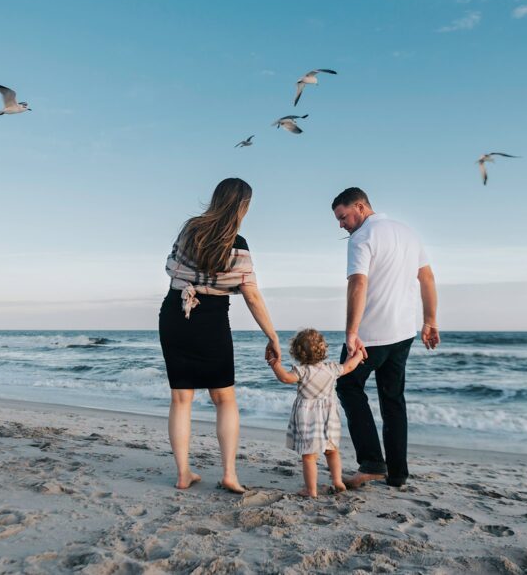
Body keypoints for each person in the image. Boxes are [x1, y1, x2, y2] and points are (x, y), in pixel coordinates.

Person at [159, 177, 281, 493]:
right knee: (224, 398)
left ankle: (183, 473)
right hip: (212, 318)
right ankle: (229, 474)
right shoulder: (237, 244)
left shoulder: (190, 230)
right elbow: (251, 294)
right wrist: (273, 336)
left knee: (181, 397)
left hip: (176, 312)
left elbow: (171, 268)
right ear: (242, 206)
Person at [331, 187, 439, 489]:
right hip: (403, 333)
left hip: (370, 334)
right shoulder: (408, 232)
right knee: (393, 400)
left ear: (361, 207)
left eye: (343, 217)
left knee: (347, 385)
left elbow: (358, 283)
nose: (342, 224)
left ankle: (372, 463)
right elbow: (427, 277)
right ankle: (398, 473)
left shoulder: (362, 237)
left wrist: (352, 332)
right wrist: (430, 320)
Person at [267, 328, 365, 498]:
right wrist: (358, 355)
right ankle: (338, 482)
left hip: (308, 418)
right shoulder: (332, 369)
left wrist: (276, 365)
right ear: (323, 349)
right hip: (329, 416)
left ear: (297, 353)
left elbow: (285, 378)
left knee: (309, 456)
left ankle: (311, 490)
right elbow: (349, 366)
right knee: (332, 450)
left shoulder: (302, 371)